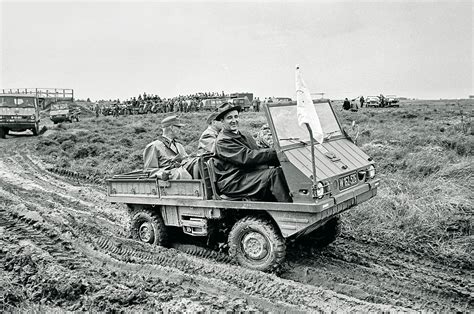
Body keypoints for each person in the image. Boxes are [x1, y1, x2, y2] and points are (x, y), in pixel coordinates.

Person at [213, 103, 292, 202]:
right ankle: (290, 211)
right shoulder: (223, 141)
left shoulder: (245, 135)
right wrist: (276, 152)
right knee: (274, 174)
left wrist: (282, 159)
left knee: (284, 170)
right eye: (229, 118)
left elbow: (258, 151)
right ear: (222, 121)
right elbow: (248, 157)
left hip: (248, 175)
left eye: (236, 117)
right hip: (234, 181)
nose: (234, 120)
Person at [143, 115, 196, 180]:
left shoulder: (179, 146)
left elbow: (187, 163)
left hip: (182, 176)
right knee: (183, 174)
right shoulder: (154, 146)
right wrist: (163, 173)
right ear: (171, 128)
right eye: (178, 127)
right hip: (169, 182)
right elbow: (149, 171)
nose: (180, 130)